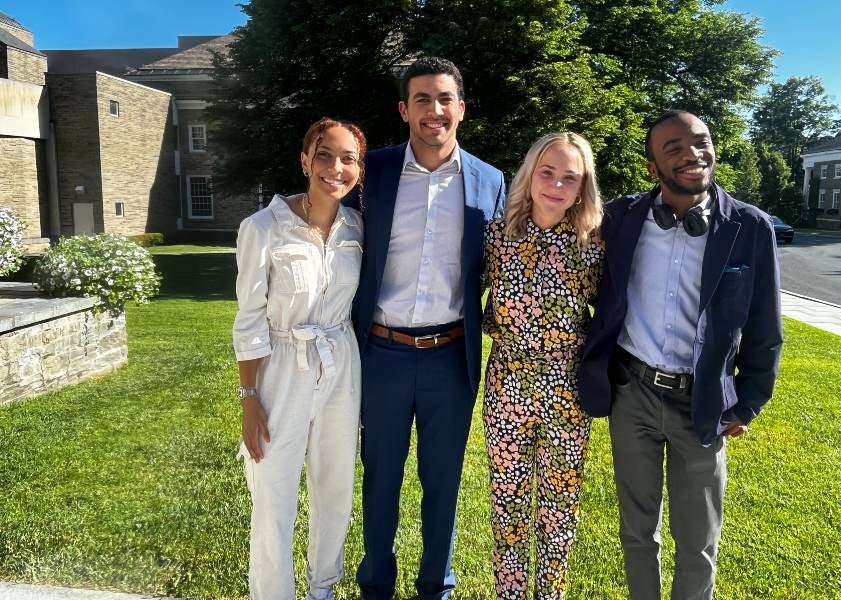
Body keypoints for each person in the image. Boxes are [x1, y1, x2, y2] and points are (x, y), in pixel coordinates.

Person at [577, 110, 783, 599]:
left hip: (704, 403)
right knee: (636, 530)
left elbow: (765, 326)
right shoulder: (622, 218)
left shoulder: (750, 227)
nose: (692, 154)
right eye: (674, 147)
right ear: (652, 166)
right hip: (633, 393)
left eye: (700, 141)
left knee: (698, 538)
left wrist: (748, 400)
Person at [345, 57, 505, 600]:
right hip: (382, 352)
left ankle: (436, 584)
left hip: (451, 355)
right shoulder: (374, 170)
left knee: (443, 481)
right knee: (380, 477)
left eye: (444, 99)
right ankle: (375, 584)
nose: (433, 111)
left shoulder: (490, 180)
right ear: (404, 109)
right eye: (421, 100)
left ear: (461, 108)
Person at [232, 117, 367, 600]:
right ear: (305, 160)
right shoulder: (264, 227)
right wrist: (250, 399)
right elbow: (248, 320)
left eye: (348, 158)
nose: (336, 167)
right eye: (325, 154)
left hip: (339, 362)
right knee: (273, 496)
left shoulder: (357, 226)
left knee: (334, 486)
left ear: (359, 168)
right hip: (281, 367)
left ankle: (322, 589)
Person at [482, 132, 604, 599]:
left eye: (569, 178)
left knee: (559, 507)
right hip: (506, 389)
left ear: (582, 187)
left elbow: (611, 314)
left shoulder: (593, 245)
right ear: (530, 174)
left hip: (567, 395)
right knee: (508, 503)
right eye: (547, 172)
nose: (556, 185)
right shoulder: (495, 237)